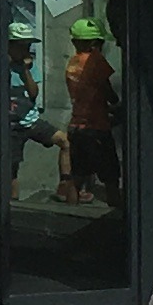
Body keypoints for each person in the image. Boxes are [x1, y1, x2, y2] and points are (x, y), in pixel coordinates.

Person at [61, 19, 119, 204]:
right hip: (97, 128)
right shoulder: (96, 61)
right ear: (94, 43)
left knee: (77, 178)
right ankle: (116, 218)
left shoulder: (72, 63)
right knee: (111, 177)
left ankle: (70, 215)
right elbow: (111, 95)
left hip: (76, 127)